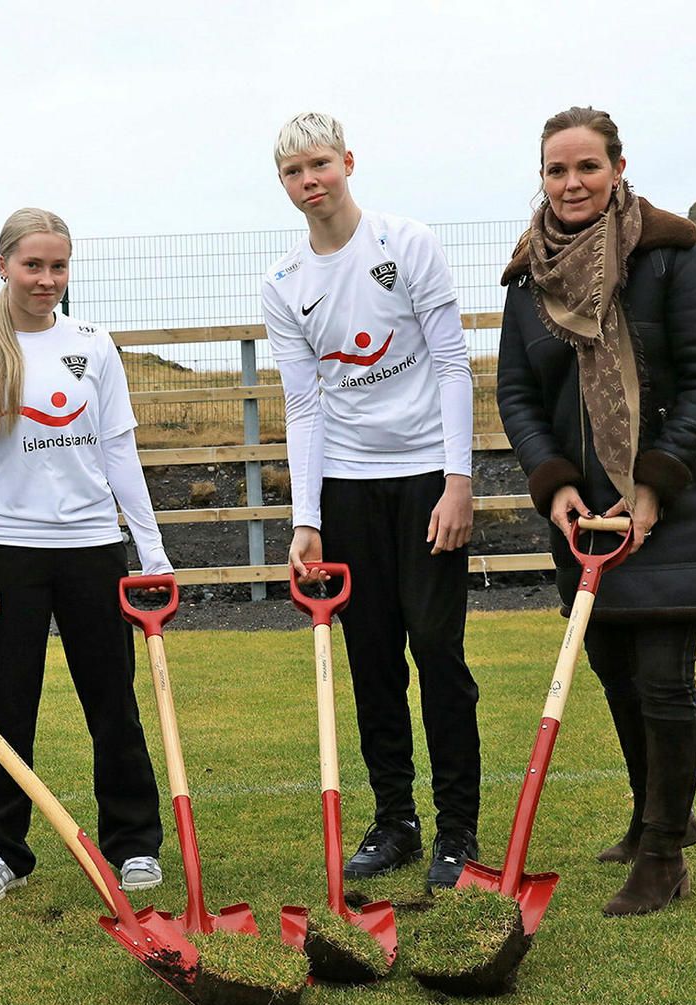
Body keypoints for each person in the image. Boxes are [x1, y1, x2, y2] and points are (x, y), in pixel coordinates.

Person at [495, 107, 696, 916]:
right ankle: (653, 814)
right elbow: (518, 395)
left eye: (587, 167)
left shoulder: (673, 260)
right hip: (585, 515)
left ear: (618, 167)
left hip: (671, 499)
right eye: (557, 170)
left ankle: (664, 854)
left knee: (665, 677)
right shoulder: (529, 279)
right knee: (615, 673)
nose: (572, 183)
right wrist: (554, 483)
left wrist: (653, 484)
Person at [261, 112, 481, 890]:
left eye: (318, 163)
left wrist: (459, 480)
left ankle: (459, 831)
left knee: (436, 649)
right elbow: (304, 407)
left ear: (348, 161)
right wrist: (307, 518)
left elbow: (453, 364)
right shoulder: (285, 283)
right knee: (373, 659)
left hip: (426, 476)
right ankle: (396, 822)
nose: (309, 181)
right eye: (292, 171)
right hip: (347, 489)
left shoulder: (405, 242)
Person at [0, 208, 168, 904]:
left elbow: (118, 452)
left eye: (57, 266)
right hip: (9, 554)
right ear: (3, 264)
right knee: (6, 706)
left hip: (93, 548)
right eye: (32, 265)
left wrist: (149, 551)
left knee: (112, 702)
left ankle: (132, 843)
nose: (45, 279)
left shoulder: (95, 346)